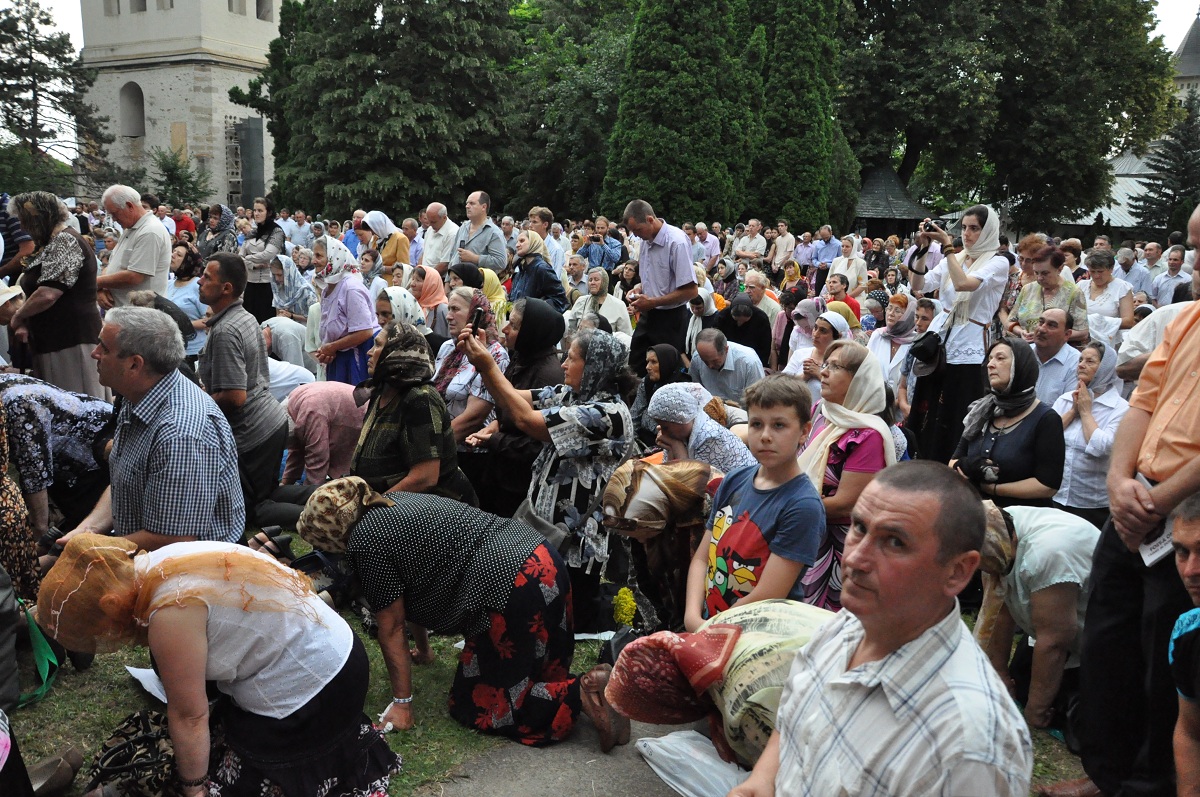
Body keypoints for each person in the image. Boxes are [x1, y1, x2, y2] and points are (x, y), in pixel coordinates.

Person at [727, 461, 1033, 797]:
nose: (856, 559)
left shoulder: (966, 747)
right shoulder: (850, 622)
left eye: (895, 542)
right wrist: (763, 780)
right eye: (859, 527)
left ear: (958, 571)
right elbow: (791, 721)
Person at [39, 533, 402, 796]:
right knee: (209, 732)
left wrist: (194, 789)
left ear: (108, 604)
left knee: (213, 762)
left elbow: (189, 715)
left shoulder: (169, 611)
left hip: (313, 694)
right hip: (343, 657)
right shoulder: (166, 558)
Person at [1046, 211, 1200, 797]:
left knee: (1166, 658)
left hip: (1182, 517)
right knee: (1109, 640)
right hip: (1134, 501)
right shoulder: (1186, 321)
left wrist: (1157, 500)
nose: (1196, 262)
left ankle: (1147, 781)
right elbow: (1142, 401)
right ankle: (1104, 771)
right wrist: (1118, 478)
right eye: (1193, 247)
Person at [294, 479, 624, 750]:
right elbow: (412, 589)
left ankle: (583, 692)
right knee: (539, 669)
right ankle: (591, 689)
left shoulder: (365, 542)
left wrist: (403, 703)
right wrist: (423, 651)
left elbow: (391, 626)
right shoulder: (392, 501)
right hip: (541, 558)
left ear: (332, 533)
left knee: (480, 705)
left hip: (510, 586)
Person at [461, 326, 636, 632]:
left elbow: (526, 420)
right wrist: (482, 362)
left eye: (572, 358)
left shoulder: (608, 414)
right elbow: (512, 399)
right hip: (546, 528)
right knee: (533, 622)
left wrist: (488, 364)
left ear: (594, 365)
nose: (564, 364)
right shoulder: (572, 395)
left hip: (575, 544)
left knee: (565, 627)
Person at [54, 307, 243, 554]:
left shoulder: (180, 433)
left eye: (105, 348)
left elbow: (174, 540)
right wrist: (87, 529)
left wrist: (94, 547)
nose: (94, 353)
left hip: (192, 573)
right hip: (149, 556)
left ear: (135, 364)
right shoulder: (140, 394)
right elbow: (125, 482)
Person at [683, 373, 825, 628]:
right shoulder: (734, 480)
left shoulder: (802, 505)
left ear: (804, 431)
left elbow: (768, 595)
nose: (765, 436)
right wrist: (693, 618)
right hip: (708, 625)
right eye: (756, 424)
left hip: (755, 634)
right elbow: (702, 558)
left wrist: (708, 628)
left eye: (779, 425)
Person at [979, 502, 1098, 739]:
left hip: (1096, 639)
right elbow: (999, 606)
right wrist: (1000, 672)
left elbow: (1054, 642)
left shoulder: (1047, 553)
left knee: (1081, 722)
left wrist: (1036, 710)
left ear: (1012, 542)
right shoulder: (992, 525)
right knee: (1021, 688)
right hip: (1045, 624)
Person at [795, 340, 896, 610]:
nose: (823, 372)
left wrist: (787, 506)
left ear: (859, 380)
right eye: (825, 364)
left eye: (835, 366)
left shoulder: (867, 435)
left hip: (836, 543)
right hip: (805, 527)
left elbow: (846, 503)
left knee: (822, 615)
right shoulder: (821, 412)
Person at [907, 207, 1011, 463]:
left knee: (956, 412)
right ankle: (924, 459)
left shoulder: (999, 261)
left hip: (970, 345)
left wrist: (947, 247)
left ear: (987, 231)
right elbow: (918, 285)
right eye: (963, 227)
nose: (967, 234)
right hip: (941, 343)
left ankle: (953, 465)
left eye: (974, 228)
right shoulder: (955, 257)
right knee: (929, 406)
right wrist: (922, 250)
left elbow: (964, 283)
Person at [198, 253, 290, 526]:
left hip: (254, 432)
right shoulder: (244, 316)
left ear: (226, 288)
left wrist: (200, 401)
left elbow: (235, 397)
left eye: (207, 277)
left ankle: (327, 518)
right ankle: (326, 503)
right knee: (270, 494)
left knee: (252, 510)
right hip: (270, 422)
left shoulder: (226, 330)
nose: (199, 281)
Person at [353, 319, 476, 505]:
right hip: (389, 501)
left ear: (398, 352)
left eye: (377, 345)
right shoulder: (381, 390)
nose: (369, 352)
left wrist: (374, 505)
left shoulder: (420, 398)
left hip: (431, 509)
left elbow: (425, 478)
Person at [0, 374, 112, 568]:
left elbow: (35, 475)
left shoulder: (17, 402)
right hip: (65, 462)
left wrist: (39, 536)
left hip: (94, 453)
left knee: (88, 543)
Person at [467, 298, 566, 517]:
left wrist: (495, 439)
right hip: (501, 474)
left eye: (513, 325)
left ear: (531, 331)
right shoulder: (522, 357)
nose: (505, 329)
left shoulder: (548, 375)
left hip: (520, 485)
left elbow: (538, 443)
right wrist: (496, 424)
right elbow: (507, 403)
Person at [6, 192, 104, 398]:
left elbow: (48, 293)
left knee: (74, 404)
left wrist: (19, 316)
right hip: (54, 339)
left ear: (39, 218)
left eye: (25, 221)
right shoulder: (50, 244)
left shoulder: (65, 241)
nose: (23, 227)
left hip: (70, 340)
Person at [950, 337, 1064, 508]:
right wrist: (968, 466)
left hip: (1023, 521)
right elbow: (953, 462)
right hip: (976, 515)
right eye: (989, 359)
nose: (990, 365)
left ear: (1021, 366)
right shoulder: (982, 410)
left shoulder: (1046, 419)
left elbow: (1047, 485)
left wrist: (994, 489)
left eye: (1000, 358)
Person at [1051, 340, 1128, 529]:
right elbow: (1046, 438)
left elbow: (1103, 448)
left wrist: (1085, 412)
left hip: (1093, 506)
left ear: (1106, 368)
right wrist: (1072, 412)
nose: (1081, 365)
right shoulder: (1065, 400)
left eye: (1090, 361)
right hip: (1056, 498)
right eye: (1080, 360)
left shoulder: (1120, 409)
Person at [621, 200, 699, 374]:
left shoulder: (676, 242)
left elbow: (691, 290)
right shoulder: (645, 240)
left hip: (670, 318)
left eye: (637, 230)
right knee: (635, 367)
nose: (636, 235)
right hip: (649, 314)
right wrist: (640, 288)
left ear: (650, 219)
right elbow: (655, 277)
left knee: (663, 373)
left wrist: (653, 301)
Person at [433, 287, 509, 454]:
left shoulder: (495, 354)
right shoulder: (448, 347)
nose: (448, 316)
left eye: (455, 309)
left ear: (475, 314)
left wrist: (432, 449)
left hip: (466, 452)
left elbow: (473, 418)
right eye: (448, 309)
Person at [649, 382, 757, 474]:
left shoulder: (710, 437)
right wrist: (670, 449)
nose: (662, 432)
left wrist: (677, 447)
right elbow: (667, 472)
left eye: (666, 427)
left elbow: (694, 483)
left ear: (682, 418)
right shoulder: (681, 433)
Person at [313, 236, 378, 385]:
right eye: (314, 255)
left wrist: (331, 347)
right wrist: (327, 349)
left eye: (319, 256)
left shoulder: (351, 288)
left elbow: (365, 331)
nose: (314, 261)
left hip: (356, 358)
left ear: (333, 257)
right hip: (338, 357)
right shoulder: (328, 288)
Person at [95, 184, 171, 309]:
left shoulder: (150, 231)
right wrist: (101, 288)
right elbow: (113, 265)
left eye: (114, 213)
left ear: (129, 206)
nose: (113, 219)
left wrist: (96, 283)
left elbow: (135, 276)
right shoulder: (132, 227)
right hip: (125, 313)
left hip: (140, 317)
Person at [280, 381, 366, 486]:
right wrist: (286, 483)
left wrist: (310, 496)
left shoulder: (311, 413)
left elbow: (318, 459)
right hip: (348, 411)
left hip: (360, 420)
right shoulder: (293, 404)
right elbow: (296, 448)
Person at [1008, 244, 1089, 343]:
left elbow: (1082, 332)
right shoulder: (1028, 289)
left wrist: (1048, 335)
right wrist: (1021, 332)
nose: (1039, 278)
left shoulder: (1074, 293)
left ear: (1059, 269)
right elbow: (1011, 321)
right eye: (1036, 273)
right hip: (1027, 349)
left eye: (1045, 273)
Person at [782, 309, 847, 407]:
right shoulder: (800, 354)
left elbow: (845, 393)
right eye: (815, 328)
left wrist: (819, 374)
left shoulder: (843, 362)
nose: (815, 334)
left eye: (823, 331)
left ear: (838, 336)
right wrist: (804, 376)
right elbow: (781, 385)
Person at [629, 343, 690, 447]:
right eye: (647, 362)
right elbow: (634, 417)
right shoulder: (647, 383)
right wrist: (632, 445)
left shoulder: (683, 388)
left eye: (654, 362)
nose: (648, 367)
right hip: (645, 441)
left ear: (666, 363)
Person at [238, 196, 286, 323]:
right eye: (255, 210)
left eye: (260, 210)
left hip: (268, 283)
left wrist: (248, 258)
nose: (256, 213)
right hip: (250, 283)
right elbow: (240, 256)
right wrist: (253, 264)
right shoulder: (252, 233)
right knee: (249, 321)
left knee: (265, 321)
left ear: (268, 212)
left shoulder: (276, 232)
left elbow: (268, 254)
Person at [690, 328, 765, 403]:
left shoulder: (749, 363)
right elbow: (694, 391)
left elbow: (757, 400)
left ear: (726, 350)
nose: (710, 366)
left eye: (714, 361)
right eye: (705, 361)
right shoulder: (697, 358)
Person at [1078, 250, 1133, 346]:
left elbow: (1128, 321)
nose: (1096, 276)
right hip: (1081, 340)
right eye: (1092, 271)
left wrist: (1097, 321)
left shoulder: (1122, 287)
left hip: (1108, 342)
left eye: (1100, 271)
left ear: (1111, 269)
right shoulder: (1081, 286)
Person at [866, 293, 917, 391]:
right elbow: (866, 367)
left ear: (909, 315)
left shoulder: (915, 342)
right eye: (889, 308)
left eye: (897, 311)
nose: (891, 313)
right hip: (875, 398)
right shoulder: (878, 335)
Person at [509, 229, 569, 313]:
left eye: (522, 241)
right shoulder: (521, 270)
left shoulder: (542, 268)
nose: (517, 245)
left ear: (534, 242)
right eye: (517, 241)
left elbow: (560, 301)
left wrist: (534, 309)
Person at [167, 242, 207, 363]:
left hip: (193, 353)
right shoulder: (169, 284)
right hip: (172, 350)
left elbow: (209, 319)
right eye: (173, 252)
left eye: (178, 255)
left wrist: (185, 324)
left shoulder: (197, 285)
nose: (173, 255)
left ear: (188, 262)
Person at [567, 267, 633, 337]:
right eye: (590, 280)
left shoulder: (619, 305)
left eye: (596, 280)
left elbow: (626, 335)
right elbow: (571, 330)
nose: (592, 283)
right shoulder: (581, 301)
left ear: (605, 282)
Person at [716, 295, 772, 366]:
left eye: (744, 321)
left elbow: (765, 346)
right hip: (727, 358)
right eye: (737, 320)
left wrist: (761, 365)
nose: (740, 323)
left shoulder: (761, 319)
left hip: (753, 359)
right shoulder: (723, 317)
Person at [269, 254, 317, 324]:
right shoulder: (278, 289)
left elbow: (315, 318)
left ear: (289, 272)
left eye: (279, 275)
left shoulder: (306, 291)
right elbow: (278, 313)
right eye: (274, 275)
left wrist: (292, 316)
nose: (276, 279)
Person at [409, 263, 450, 338]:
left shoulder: (443, 309)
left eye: (418, 280)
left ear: (431, 284)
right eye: (412, 279)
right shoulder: (414, 306)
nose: (412, 284)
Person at [683, 291, 719, 365]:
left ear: (706, 305)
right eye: (692, 307)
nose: (695, 311)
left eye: (699, 308)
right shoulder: (688, 314)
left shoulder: (716, 318)